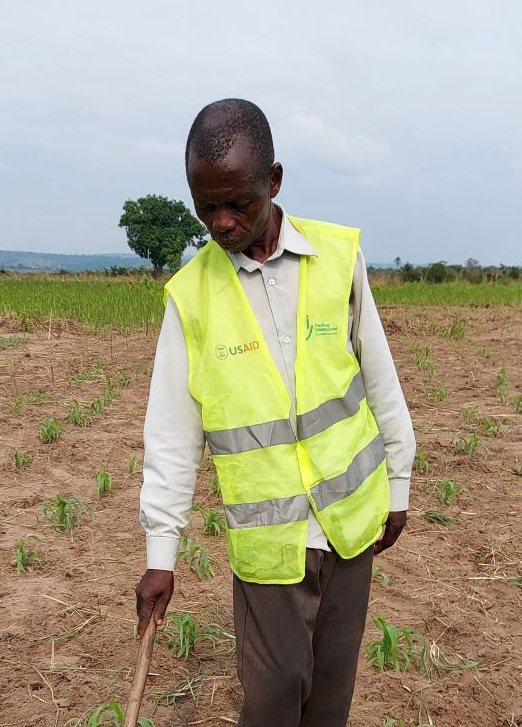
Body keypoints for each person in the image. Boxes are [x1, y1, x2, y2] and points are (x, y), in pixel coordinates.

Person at [134, 98, 416, 726]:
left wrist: (397, 484)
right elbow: (172, 436)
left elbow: (381, 377)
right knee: (273, 695)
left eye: (238, 203)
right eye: (205, 207)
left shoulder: (339, 260)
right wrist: (161, 555)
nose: (222, 223)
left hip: (350, 524)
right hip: (268, 542)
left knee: (330, 696)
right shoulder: (190, 299)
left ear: (274, 181)